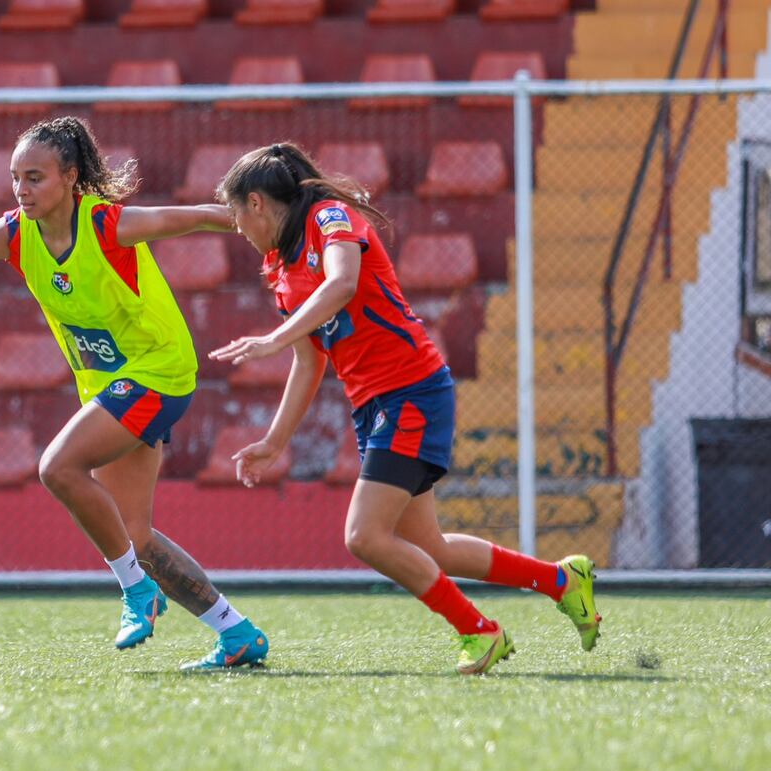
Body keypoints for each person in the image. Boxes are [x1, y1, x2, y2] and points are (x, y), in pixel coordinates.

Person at [0, 116, 267, 671]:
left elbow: (187, 219)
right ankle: (236, 634)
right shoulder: (14, 234)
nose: (22, 189)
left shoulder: (106, 225)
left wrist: (262, 219)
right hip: (112, 386)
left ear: (69, 177)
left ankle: (137, 594)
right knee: (134, 535)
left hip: (159, 372)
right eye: (16, 177)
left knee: (57, 467)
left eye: (35, 177)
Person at [209, 143, 602, 674]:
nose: (238, 230)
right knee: (430, 549)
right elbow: (310, 364)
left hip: (412, 390)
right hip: (375, 404)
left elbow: (343, 282)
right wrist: (276, 440)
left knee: (365, 536)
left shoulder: (330, 216)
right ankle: (562, 580)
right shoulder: (280, 270)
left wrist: (273, 338)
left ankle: (479, 631)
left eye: (236, 215)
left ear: (256, 203)